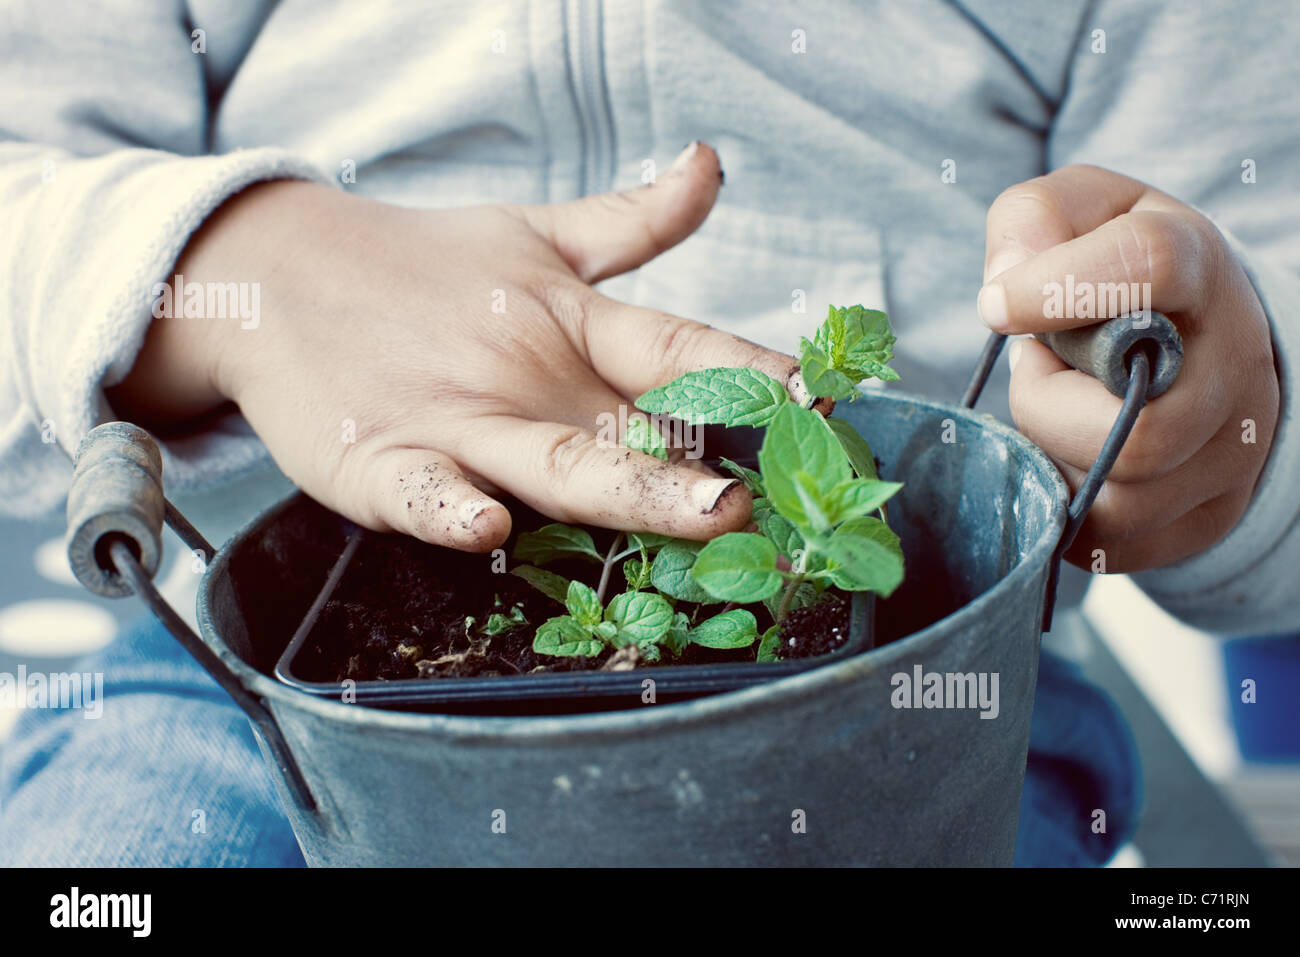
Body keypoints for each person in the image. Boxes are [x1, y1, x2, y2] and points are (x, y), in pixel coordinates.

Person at [1, 1, 1296, 866]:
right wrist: (228, 269)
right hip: (257, 691)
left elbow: (1256, 244)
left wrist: (1226, 418)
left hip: (909, 695)